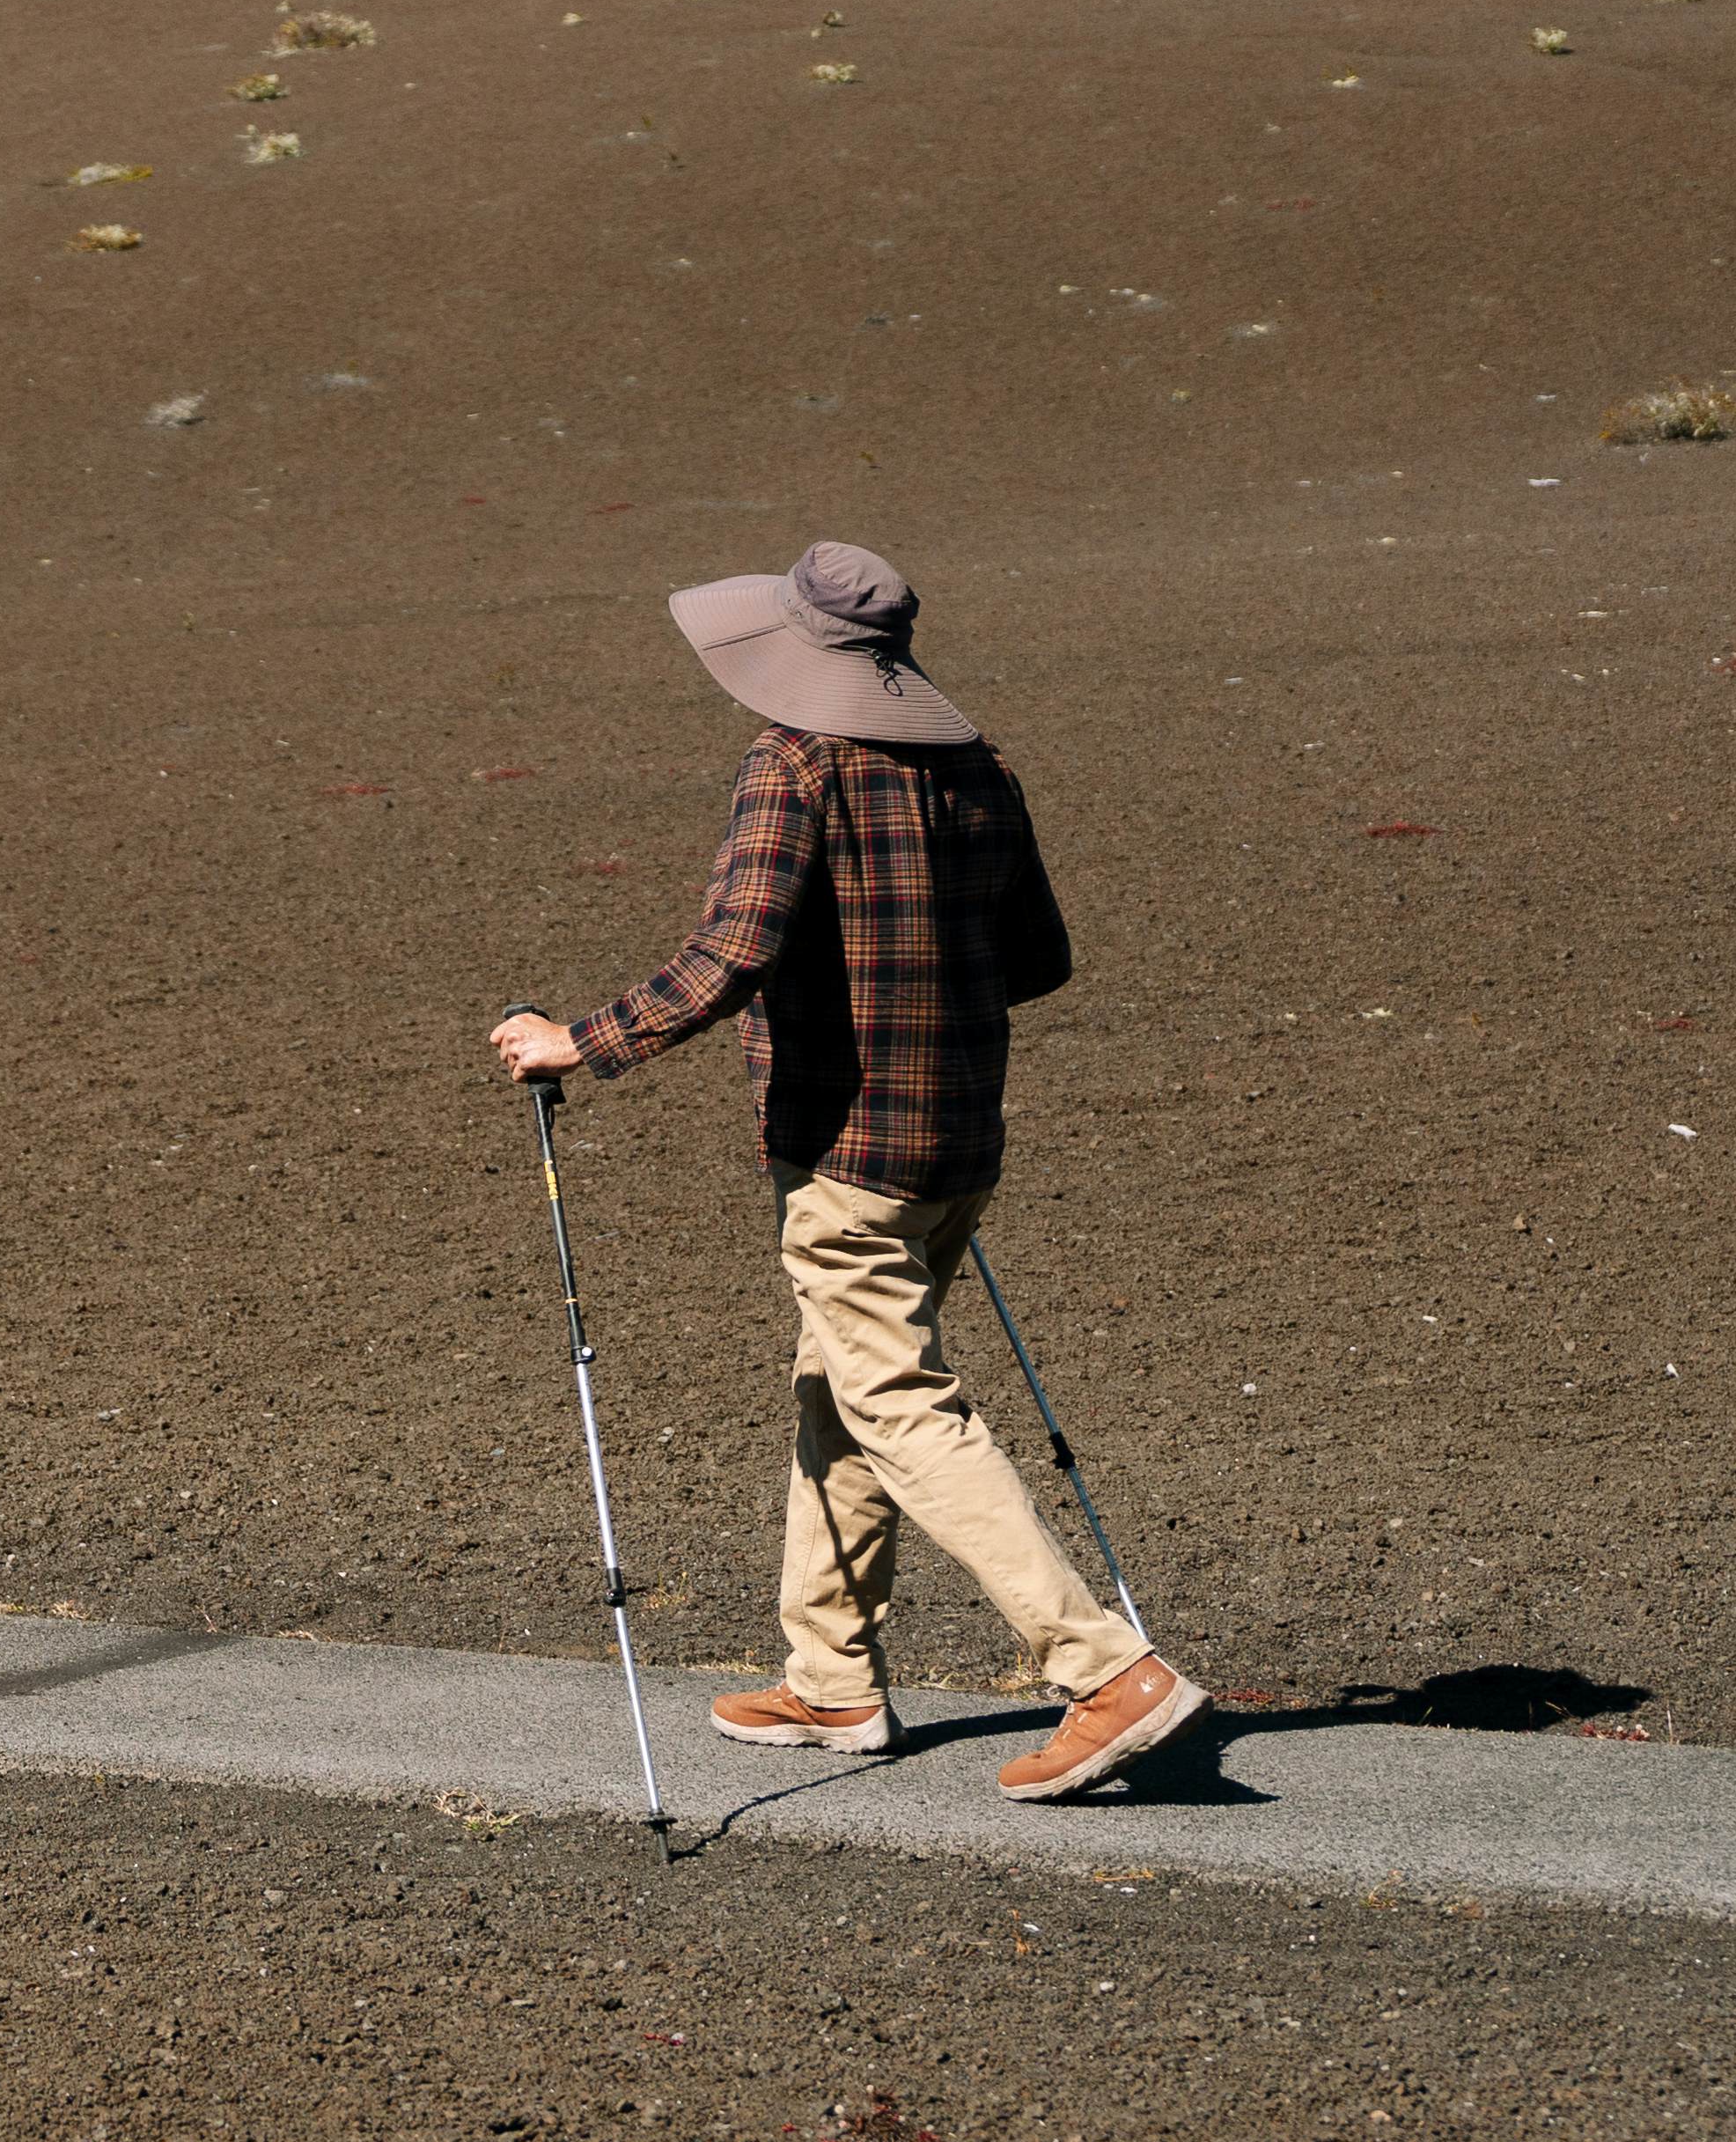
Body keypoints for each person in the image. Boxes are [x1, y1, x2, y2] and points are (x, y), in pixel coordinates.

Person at [490, 541, 1211, 1801]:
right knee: (840, 1389)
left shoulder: (796, 761)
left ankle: (1105, 1671)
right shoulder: (980, 770)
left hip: (845, 1154)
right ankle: (831, 1678)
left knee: (900, 1405)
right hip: (958, 1143)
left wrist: (578, 1041)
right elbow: (1036, 958)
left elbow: (734, 949)